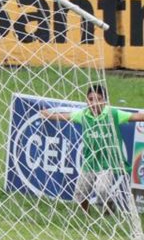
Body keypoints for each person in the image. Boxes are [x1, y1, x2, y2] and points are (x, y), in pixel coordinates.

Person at [39, 84, 144, 214]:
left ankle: (109, 207)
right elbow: (65, 116)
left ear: (105, 101)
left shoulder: (113, 114)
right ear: (86, 100)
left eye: (98, 99)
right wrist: (49, 115)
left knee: (102, 189)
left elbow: (136, 117)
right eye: (90, 99)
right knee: (80, 194)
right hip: (90, 161)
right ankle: (85, 216)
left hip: (108, 162)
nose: (94, 103)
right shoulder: (83, 115)